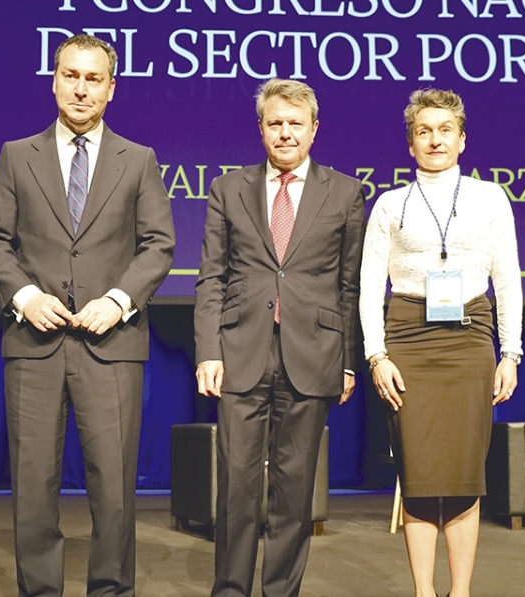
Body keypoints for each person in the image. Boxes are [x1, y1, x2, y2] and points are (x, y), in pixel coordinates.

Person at [0, 34, 174, 597]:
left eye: (93, 78)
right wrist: (25, 297)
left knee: (114, 488)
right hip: (33, 345)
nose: (81, 88)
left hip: (113, 345)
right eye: (71, 75)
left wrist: (117, 301)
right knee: (33, 487)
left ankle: (110, 590)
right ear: (54, 80)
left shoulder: (139, 160)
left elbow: (158, 244)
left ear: (111, 89)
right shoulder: (18, 155)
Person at [194, 78, 366, 597]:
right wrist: (208, 350)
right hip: (240, 353)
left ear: (314, 129)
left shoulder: (347, 192)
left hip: (313, 355)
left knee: (294, 494)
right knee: (237, 491)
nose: (285, 133)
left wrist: (349, 361)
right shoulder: (229, 188)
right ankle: (230, 590)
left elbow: (350, 286)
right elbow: (212, 277)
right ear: (261, 128)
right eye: (275, 123)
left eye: (296, 123)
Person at [359, 89, 522, 597]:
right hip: (407, 339)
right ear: (411, 144)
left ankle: (461, 591)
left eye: (444, 129)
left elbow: (508, 279)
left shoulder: (490, 197)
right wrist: (375, 354)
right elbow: (369, 285)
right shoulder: (390, 204)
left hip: (471, 339)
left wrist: (511, 352)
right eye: (424, 131)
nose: (434, 139)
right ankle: (424, 592)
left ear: (462, 139)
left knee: (464, 474)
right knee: (421, 475)